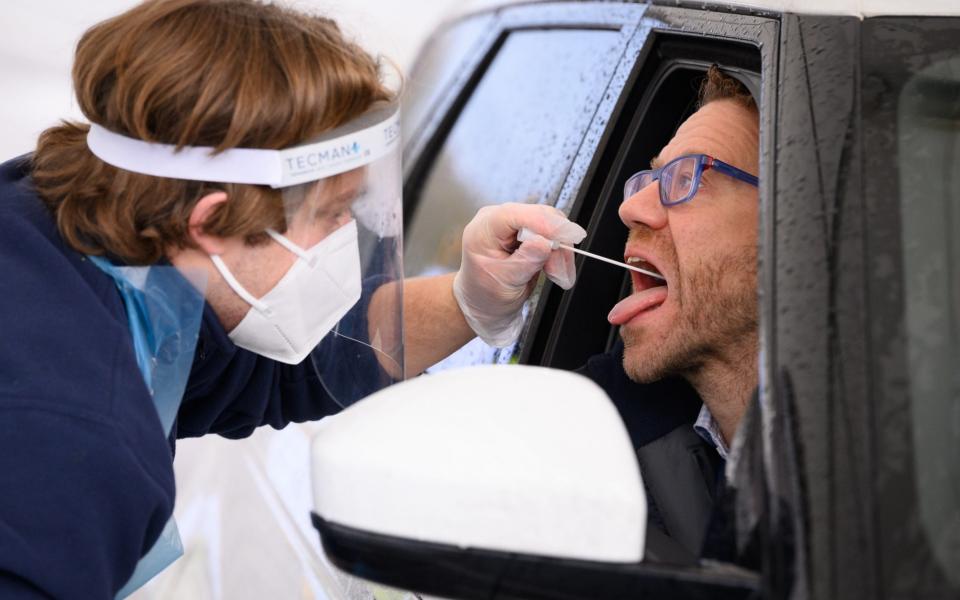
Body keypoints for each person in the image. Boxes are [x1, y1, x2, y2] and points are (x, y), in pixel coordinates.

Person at [0, 1, 584, 597]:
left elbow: (290, 366)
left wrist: (471, 298)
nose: (344, 238)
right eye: (330, 213)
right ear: (211, 220)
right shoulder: (68, 441)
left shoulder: (72, 227)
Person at [482, 65, 761, 559]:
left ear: (797, 223)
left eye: (686, 176)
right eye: (650, 179)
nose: (629, 210)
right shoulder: (594, 427)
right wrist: (466, 303)